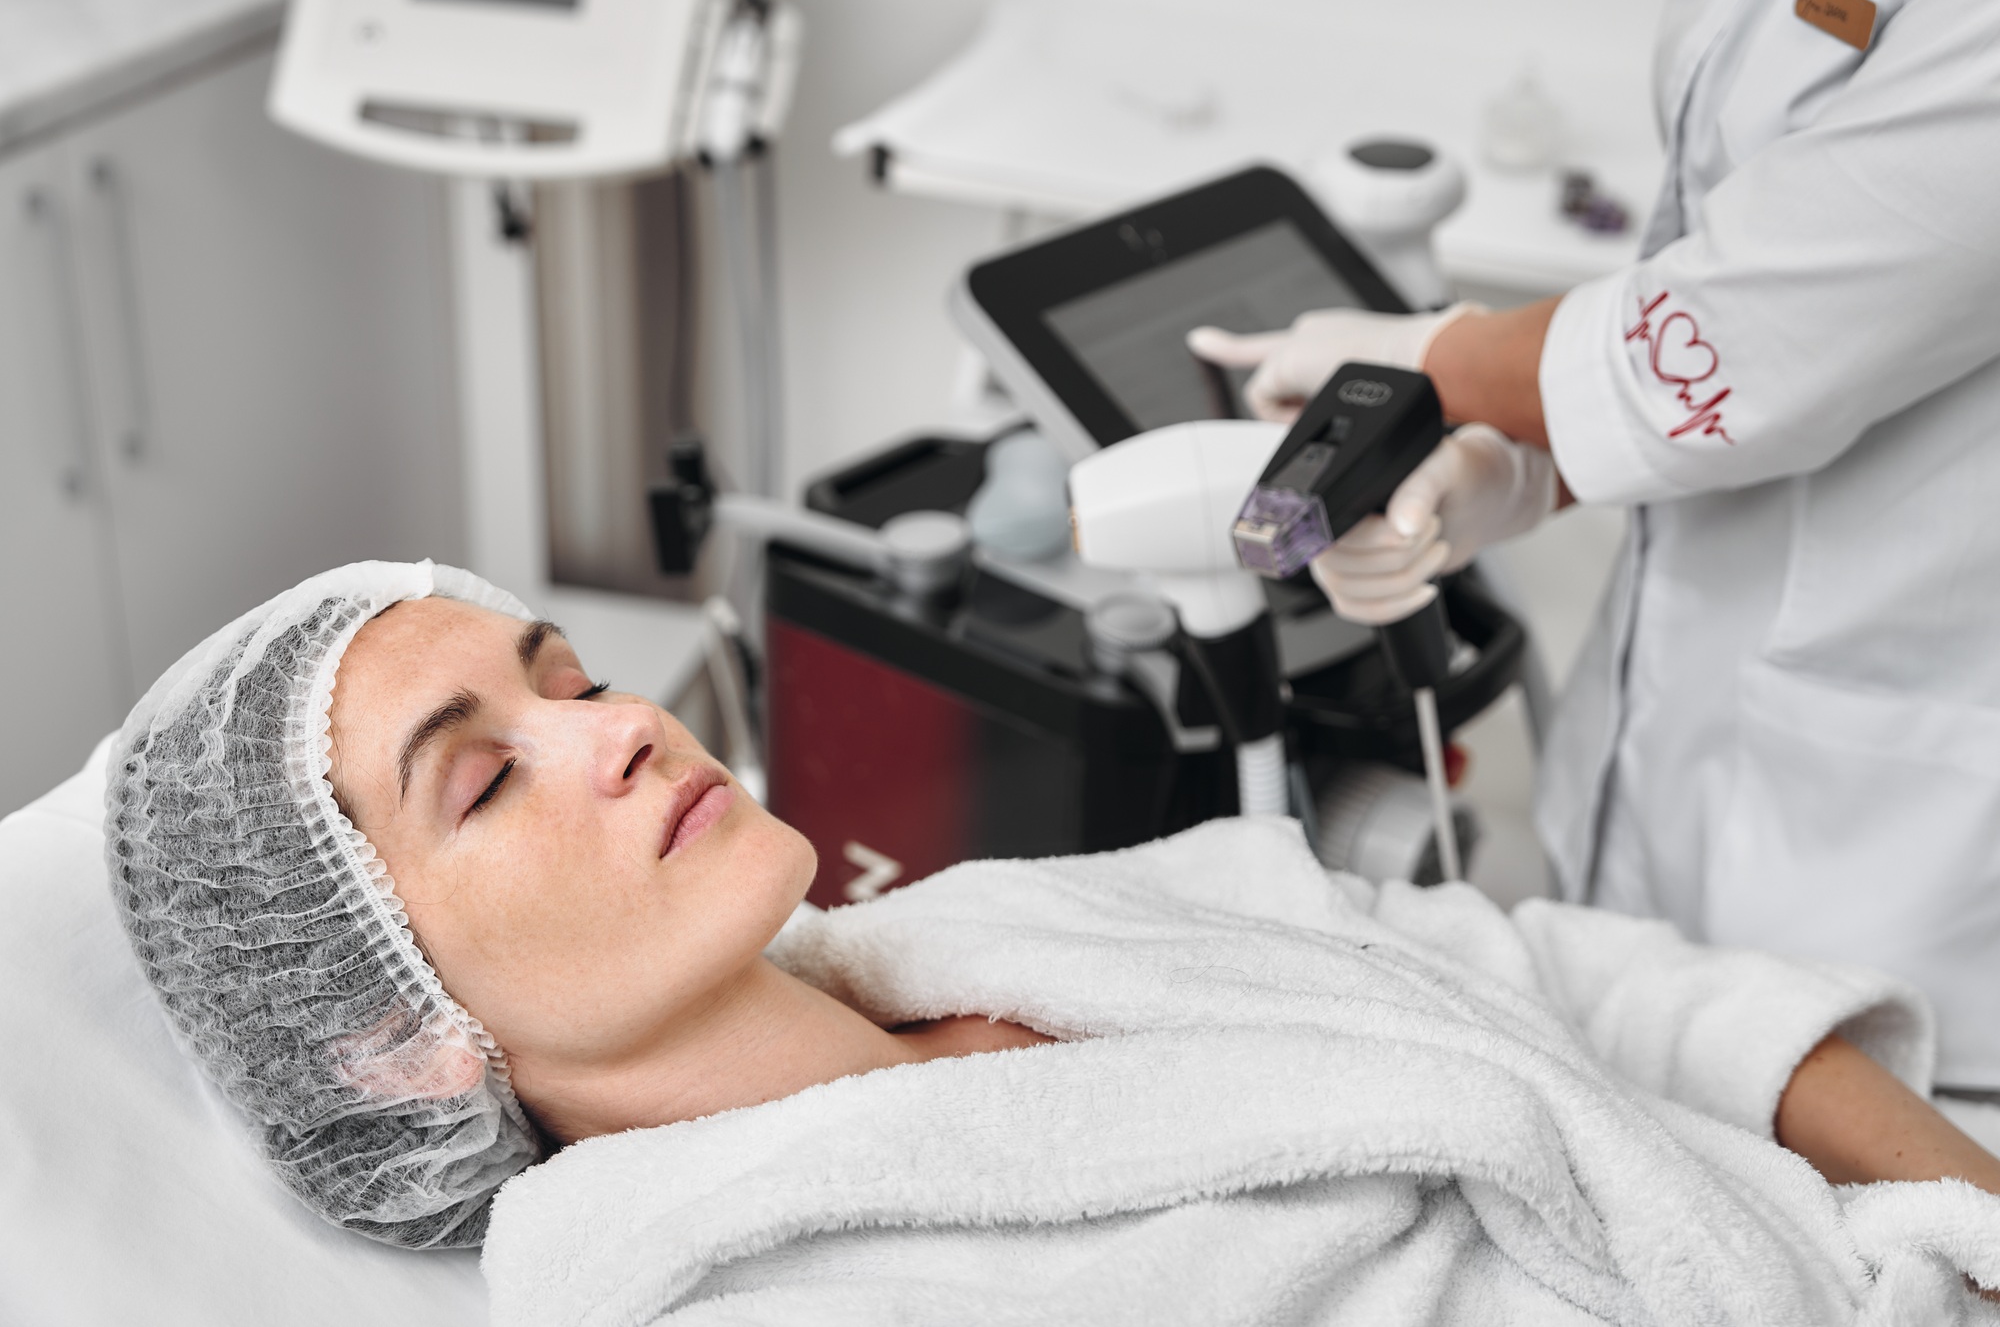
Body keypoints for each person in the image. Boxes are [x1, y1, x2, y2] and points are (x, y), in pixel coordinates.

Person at [103, 562, 2000, 1322]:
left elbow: (1560, 973)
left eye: (573, 673)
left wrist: (1967, 1212)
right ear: (395, 1043)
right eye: (487, 781)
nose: (619, 723)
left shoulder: (997, 919)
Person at [1189, 0, 2000, 1099]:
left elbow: (1745, 338)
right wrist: (1515, 470)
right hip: (1656, 791)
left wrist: (1430, 354)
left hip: (1903, 882)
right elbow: (1776, 300)